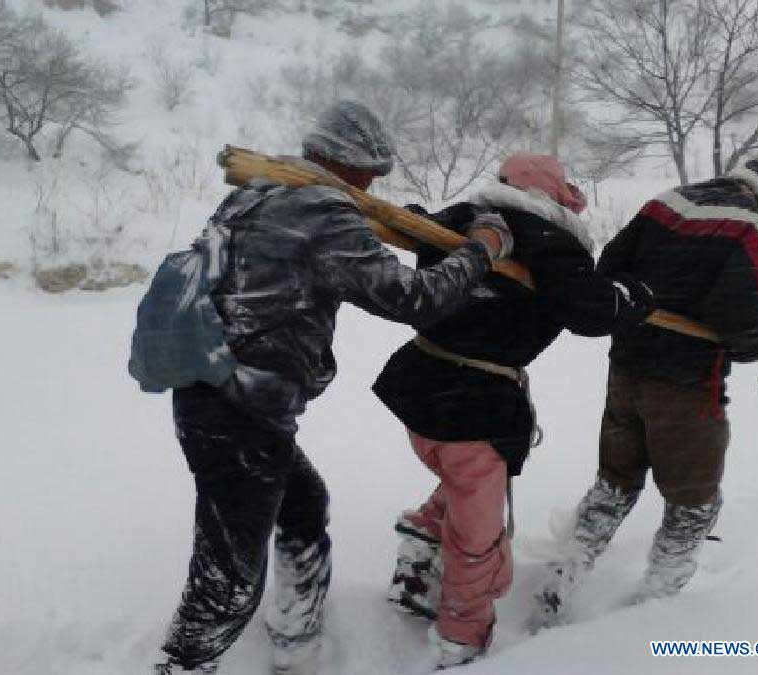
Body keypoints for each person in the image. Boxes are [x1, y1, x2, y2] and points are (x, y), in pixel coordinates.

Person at [153, 101, 514, 675]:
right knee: (228, 576)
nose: (371, 186)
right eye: (371, 173)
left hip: (216, 394)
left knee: (303, 506)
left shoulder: (254, 194)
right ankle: (185, 665)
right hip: (240, 407)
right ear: (351, 164)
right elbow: (414, 299)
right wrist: (482, 251)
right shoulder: (320, 210)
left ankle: (296, 645)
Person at [371, 153, 655, 668]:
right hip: (471, 407)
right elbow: (594, 312)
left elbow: (420, 232)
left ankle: (419, 549)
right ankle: (461, 637)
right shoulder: (549, 240)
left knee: (464, 481)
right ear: (552, 194)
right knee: (478, 538)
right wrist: (639, 296)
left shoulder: (466, 215)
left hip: (418, 386)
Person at [529, 145, 758, 630]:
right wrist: (755, 346)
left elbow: (610, 266)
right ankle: (658, 612)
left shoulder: (671, 199)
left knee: (614, 482)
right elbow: (739, 312)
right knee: (693, 500)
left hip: (627, 367)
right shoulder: (753, 226)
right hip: (688, 385)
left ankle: (563, 572)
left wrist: (640, 309)